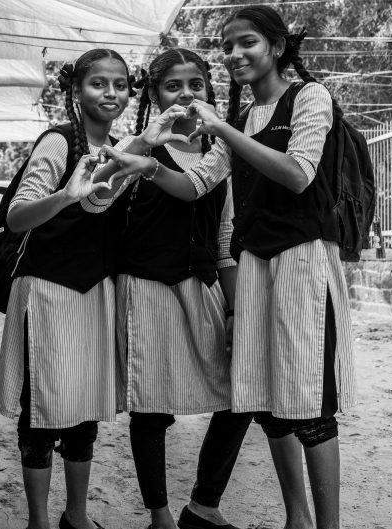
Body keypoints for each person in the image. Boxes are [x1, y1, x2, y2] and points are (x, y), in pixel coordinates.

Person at [98, 7, 357, 529]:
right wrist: (148, 164)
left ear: (277, 47)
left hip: (303, 262)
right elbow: (196, 185)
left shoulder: (308, 97)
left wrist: (220, 129)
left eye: (248, 43)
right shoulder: (237, 124)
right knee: (269, 402)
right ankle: (297, 519)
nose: (236, 55)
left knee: (311, 405)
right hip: (256, 266)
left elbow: (299, 174)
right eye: (229, 47)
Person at [83, 48, 253, 529]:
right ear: (155, 95)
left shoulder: (221, 153)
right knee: (151, 410)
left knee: (242, 395)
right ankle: (160, 518)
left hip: (203, 287)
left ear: (209, 91)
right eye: (172, 86)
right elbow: (94, 200)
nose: (186, 94)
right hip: (147, 289)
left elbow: (224, 238)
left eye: (195, 84)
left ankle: (203, 505)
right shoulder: (137, 147)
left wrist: (235, 310)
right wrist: (140, 147)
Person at [0, 48, 135, 529]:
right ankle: (37, 521)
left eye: (120, 84)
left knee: (84, 410)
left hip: (95, 293)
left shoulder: (121, 149)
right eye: (98, 83)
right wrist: (66, 195)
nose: (110, 93)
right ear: (76, 90)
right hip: (47, 292)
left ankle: (76, 516)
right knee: (41, 411)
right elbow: (18, 217)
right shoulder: (58, 143)